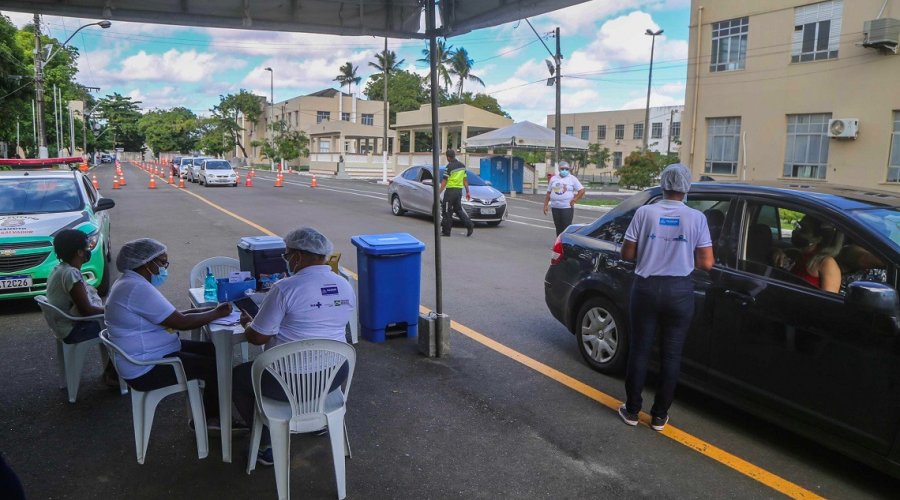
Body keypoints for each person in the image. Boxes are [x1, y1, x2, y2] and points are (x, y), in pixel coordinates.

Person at [232, 227, 355, 466]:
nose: (286, 260)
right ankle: (318, 416)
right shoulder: (343, 284)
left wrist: (248, 323)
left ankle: (267, 444)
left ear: (297, 256)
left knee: (237, 379)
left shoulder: (285, 288)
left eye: (286, 255)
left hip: (287, 381)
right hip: (333, 375)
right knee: (309, 369)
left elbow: (257, 338)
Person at [618, 163, 714, 431]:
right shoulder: (697, 218)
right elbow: (707, 262)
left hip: (646, 289)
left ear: (663, 184)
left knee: (640, 350)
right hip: (680, 291)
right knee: (671, 356)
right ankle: (659, 416)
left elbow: (627, 253)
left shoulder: (645, 212)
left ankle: (632, 411)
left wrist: (652, 250)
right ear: (687, 188)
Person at [104, 238, 232, 426]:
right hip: (145, 368)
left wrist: (207, 311)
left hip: (147, 355)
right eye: (162, 262)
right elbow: (181, 323)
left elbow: (171, 315)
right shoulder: (137, 288)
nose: (164, 268)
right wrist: (216, 313)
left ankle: (211, 407)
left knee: (213, 352)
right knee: (214, 366)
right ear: (146, 263)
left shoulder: (129, 282)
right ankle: (211, 419)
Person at [45, 229, 119, 386]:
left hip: (63, 326)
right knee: (121, 329)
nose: (88, 251)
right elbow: (87, 310)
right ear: (79, 252)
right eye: (86, 248)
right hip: (74, 330)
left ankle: (112, 372)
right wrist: (112, 312)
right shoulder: (72, 274)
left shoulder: (59, 269)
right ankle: (113, 376)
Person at [789, 216, 842, 294]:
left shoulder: (826, 263)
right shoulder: (796, 254)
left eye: (804, 230)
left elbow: (829, 301)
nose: (797, 232)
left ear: (818, 239)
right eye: (798, 226)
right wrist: (776, 252)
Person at [543, 161, 586, 236]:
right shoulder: (553, 178)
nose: (564, 171)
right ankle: (558, 245)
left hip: (567, 207)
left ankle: (565, 245)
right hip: (555, 207)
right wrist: (545, 205)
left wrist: (575, 199)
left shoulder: (572, 178)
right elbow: (548, 192)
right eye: (562, 169)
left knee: (566, 227)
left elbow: (582, 190)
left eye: (566, 169)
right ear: (559, 169)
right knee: (558, 226)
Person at [439, 149, 474, 237]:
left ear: (448, 157)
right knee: (458, 210)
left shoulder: (449, 167)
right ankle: (469, 225)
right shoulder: (462, 166)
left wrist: (438, 192)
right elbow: (465, 180)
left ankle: (446, 231)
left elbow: (444, 181)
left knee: (446, 210)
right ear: (454, 155)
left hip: (450, 191)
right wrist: (468, 192)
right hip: (459, 191)